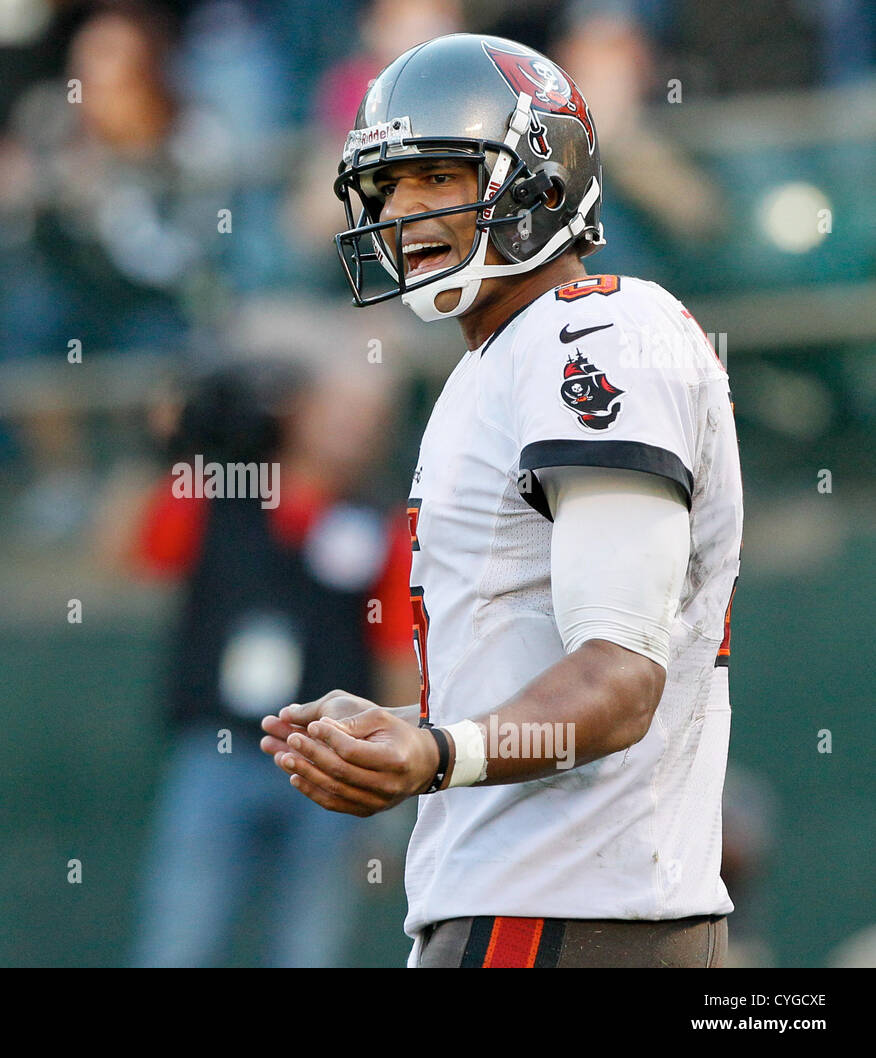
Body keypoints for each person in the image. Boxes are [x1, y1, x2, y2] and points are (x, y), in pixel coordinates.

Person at [261, 33, 742, 968]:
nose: (402, 211)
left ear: (543, 179)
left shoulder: (597, 333)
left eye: (438, 176)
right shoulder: (504, 356)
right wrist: (412, 731)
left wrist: (438, 754)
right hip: (540, 909)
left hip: (567, 918)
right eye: (387, 186)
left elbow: (620, 679)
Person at [127, 358, 417, 967]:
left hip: (327, 762)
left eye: (370, 419)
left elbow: (396, 656)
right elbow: (128, 551)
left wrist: (395, 809)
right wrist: (170, 450)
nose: (354, 431)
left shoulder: (381, 526)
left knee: (308, 950)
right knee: (178, 941)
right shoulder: (222, 494)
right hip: (218, 748)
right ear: (300, 413)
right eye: (341, 412)